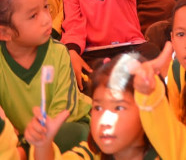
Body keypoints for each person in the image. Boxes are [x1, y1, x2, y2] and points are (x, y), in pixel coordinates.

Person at [0, 0, 90, 151]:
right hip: (24, 140)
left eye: (46, 7)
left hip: (66, 127)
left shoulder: (58, 52)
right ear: (5, 33)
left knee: (72, 133)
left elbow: (64, 111)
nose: (46, 19)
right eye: (33, 16)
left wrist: (33, 143)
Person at [24, 55, 155, 160]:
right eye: (98, 108)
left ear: (147, 111)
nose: (104, 120)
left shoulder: (166, 154)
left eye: (118, 108)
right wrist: (43, 145)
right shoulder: (89, 154)